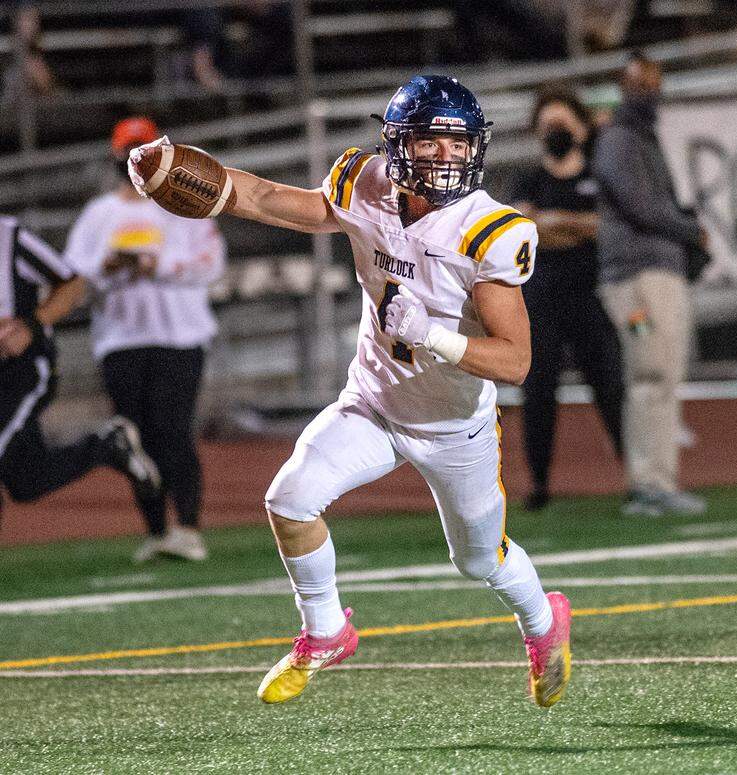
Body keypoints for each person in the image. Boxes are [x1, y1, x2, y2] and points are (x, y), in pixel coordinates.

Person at [128, 75, 572, 706]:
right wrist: (197, 179)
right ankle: (326, 631)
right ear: (398, 143)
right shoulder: (365, 185)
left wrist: (432, 335)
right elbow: (271, 200)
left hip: (453, 426)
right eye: (431, 141)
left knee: (479, 560)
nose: (447, 156)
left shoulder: (490, 231)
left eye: (459, 144)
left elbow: (517, 362)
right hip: (372, 402)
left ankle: (543, 624)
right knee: (290, 500)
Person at [65, 117, 224, 564]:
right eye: (129, 151)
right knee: (134, 441)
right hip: (121, 339)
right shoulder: (99, 214)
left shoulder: (183, 203)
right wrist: (106, 267)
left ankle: (187, 528)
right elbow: (71, 277)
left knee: (173, 431)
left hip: (179, 336)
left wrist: (157, 265)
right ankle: (157, 530)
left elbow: (210, 264)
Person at [592, 52, 708, 517]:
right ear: (623, 87)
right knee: (650, 374)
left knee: (658, 376)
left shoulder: (635, 136)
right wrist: (690, 229)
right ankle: (648, 484)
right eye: (641, 84)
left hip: (649, 274)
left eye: (654, 83)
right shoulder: (620, 139)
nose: (650, 93)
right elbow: (640, 205)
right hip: (637, 281)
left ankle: (656, 481)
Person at [0, 214, 160, 526]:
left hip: (21, 370)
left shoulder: (8, 236)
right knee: (25, 480)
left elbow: (72, 283)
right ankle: (107, 446)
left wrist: (30, 327)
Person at [510, 87, 625, 511]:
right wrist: (576, 226)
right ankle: (539, 483)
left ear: (581, 127)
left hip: (592, 295)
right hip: (541, 298)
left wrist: (553, 222)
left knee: (609, 384)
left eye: (562, 124)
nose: (555, 133)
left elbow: (606, 227)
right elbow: (522, 230)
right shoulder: (528, 179)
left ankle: (636, 473)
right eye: (548, 126)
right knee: (539, 391)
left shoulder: (598, 175)